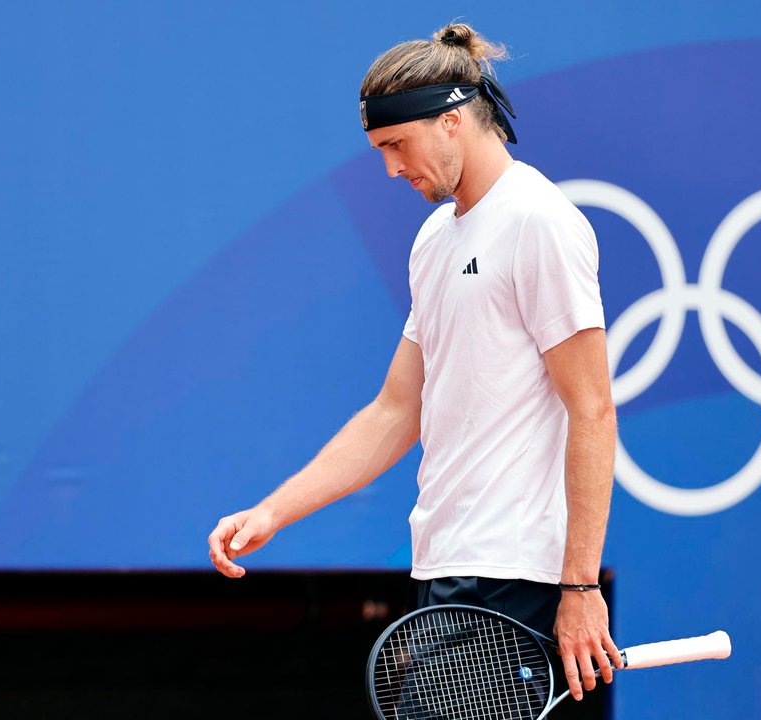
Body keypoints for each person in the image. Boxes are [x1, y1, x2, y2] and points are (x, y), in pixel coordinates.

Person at [207, 21, 623, 704]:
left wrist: (580, 586)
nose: (392, 169)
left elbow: (592, 407)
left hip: (511, 571)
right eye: (380, 150)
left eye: (396, 145)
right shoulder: (434, 240)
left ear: (453, 121)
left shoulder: (538, 221)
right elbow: (395, 410)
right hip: (448, 562)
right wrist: (272, 511)